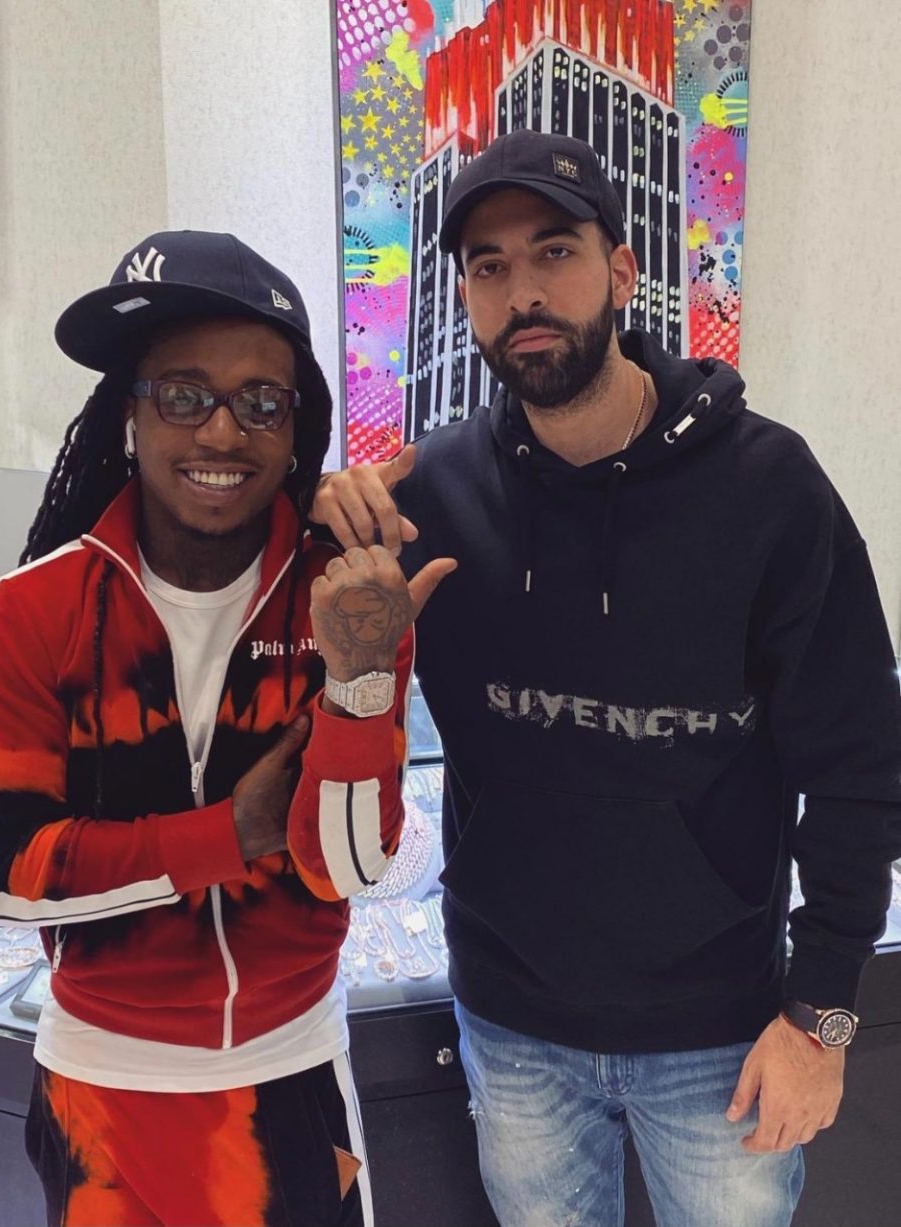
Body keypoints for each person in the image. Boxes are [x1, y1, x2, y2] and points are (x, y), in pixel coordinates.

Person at [311, 130, 901, 1227]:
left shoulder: (769, 490)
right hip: (512, 1027)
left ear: (623, 270)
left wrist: (821, 1016)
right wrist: (318, 530)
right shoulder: (430, 493)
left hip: (724, 1032)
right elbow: (298, 682)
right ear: (467, 298)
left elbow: (862, 769)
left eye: (554, 252)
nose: (523, 292)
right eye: (489, 266)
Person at [0, 229, 453, 1227]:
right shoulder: (36, 607)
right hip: (99, 1091)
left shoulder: (345, 597)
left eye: (261, 402)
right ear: (129, 414)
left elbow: (351, 868)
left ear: (295, 428)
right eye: (183, 395)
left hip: (290, 1077)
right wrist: (228, 835)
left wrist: (358, 680)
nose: (221, 433)